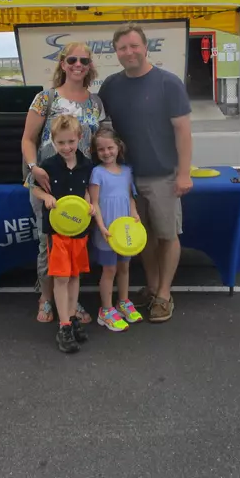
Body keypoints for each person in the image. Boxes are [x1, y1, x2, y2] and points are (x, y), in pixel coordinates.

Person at [98, 23, 192, 323]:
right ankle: (152, 287)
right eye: (123, 48)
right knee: (143, 237)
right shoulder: (110, 86)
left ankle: (165, 295)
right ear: (116, 53)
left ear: (146, 47)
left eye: (134, 46)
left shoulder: (168, 83)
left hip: (163, 175)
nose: (129, 52)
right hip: (126, 179)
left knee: (167, 235)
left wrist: (184, 174)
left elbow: (183, 132)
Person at [21, 41, 104, 325]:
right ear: (62, 64)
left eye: (83, 60)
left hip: (79, 187)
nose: (77, 65)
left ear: (90, 65)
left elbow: (99, 143)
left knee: (74, 247)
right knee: (49, 245)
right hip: (47, 185)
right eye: (72, 60)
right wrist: (34, 169)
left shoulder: (96, 103)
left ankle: (70, 300)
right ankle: (46, 297)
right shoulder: (45, 99)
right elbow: (28, 139)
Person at [30, 115, 95, 354]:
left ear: (79, 138)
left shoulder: (87, 164)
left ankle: (72, 317)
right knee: (61, 277)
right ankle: (64, 325)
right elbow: (31, 186)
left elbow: (87, 190)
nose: (66, 147)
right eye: (61, 143)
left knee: (75, 275)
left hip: (79, 230)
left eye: (70, 141)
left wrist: (89, 204)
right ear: (53, 142)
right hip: (56, 233)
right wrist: (45, 196)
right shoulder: (47, 165)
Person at [88, 127, 143, 332]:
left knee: (124, 267)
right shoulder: (97, 173)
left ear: (118, 147)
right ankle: (106, 310)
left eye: (110, 147)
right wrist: (101, 227)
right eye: (101, 149)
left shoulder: (127, 171)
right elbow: (94, 203)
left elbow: (130, 197)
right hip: (107, 231)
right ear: (96, 152)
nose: (106, 153)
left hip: (125, 231)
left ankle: (123, 301)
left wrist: (135, 214)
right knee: (109, 269)